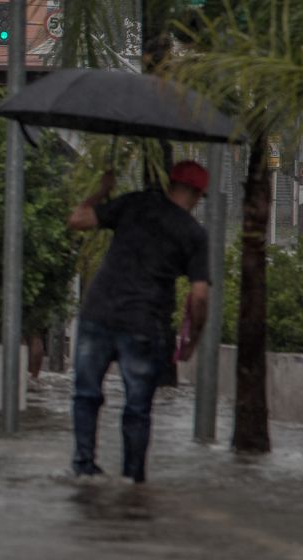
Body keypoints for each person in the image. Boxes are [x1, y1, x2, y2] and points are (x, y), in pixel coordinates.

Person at [67, 161, 210, 483]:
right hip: (144, 326)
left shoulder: (135, 203)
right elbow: (199, 296)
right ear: (199, 194)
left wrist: (101, 190)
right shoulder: (193, 233)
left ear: (170, 182)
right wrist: (192, 341)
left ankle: (83, 468)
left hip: (98, 314)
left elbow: (77, 219)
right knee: (137, 408)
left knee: (86, 395)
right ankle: (133, 480)